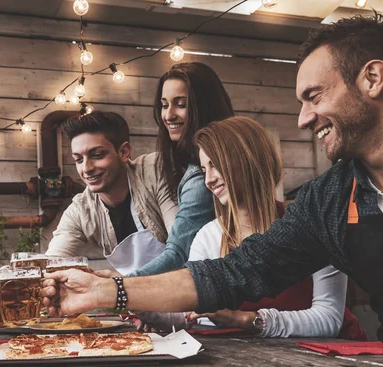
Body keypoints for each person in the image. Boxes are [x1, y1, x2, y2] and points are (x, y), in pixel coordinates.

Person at [42, 14, 383, 341]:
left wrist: (249, 320)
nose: (303, 119)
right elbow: (235, 273)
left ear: (372, 78)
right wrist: (105, 290)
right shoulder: (331, 198)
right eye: (204, 169)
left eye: (314, 96)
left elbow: (326, 316)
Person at [184, 117, 362, 339]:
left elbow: (328, 319)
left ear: (248, 160)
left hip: (338, 357)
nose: (208, 180)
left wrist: (245, 318)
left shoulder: (311, 221)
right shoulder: (208, 237)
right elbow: (194, 312)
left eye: (215, 165)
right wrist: (152, 311)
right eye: (203, 170)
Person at [129, 63, 234, 277]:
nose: (168, 115)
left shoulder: (199, 177)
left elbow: (177, 255)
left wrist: (118, 285)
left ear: (204, 107)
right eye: (164, 105)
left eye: (181, 104)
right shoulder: (189, 166)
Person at [45, 111, 178, 275]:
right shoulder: (81, 210)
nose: (86, 168)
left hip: (183, 289)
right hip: (135, 297)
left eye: (97, 155)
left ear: (124, 152)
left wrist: (121, 283)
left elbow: (180, 246)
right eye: (79, 159)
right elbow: (53, 262)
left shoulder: (154, 171)